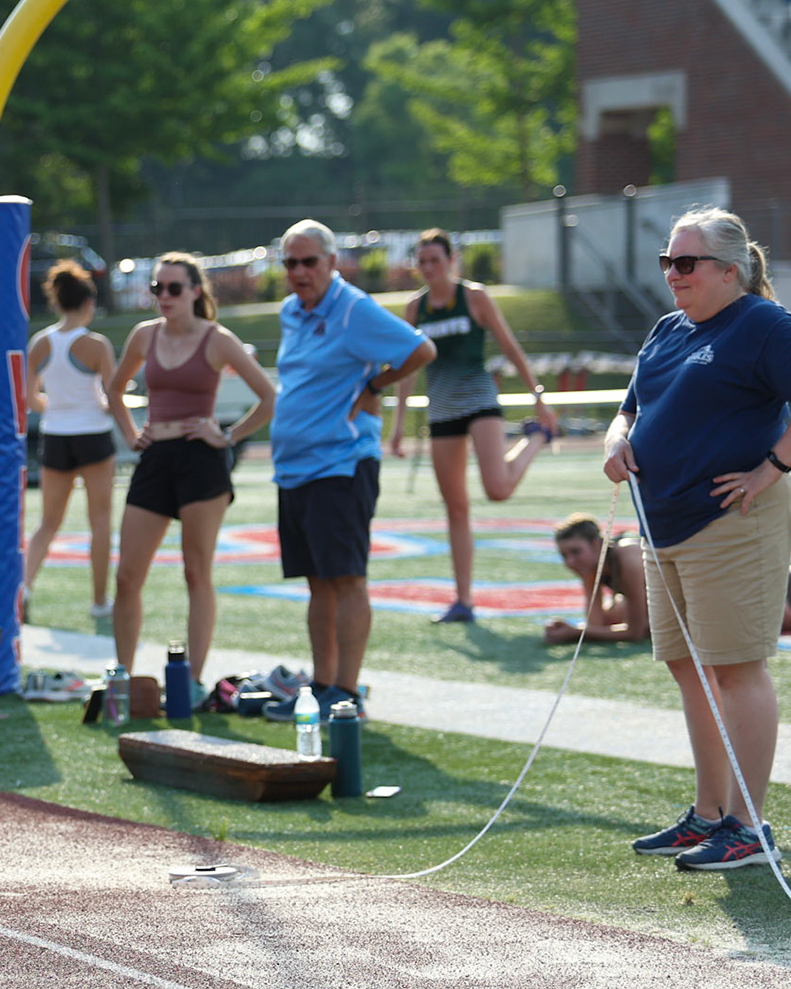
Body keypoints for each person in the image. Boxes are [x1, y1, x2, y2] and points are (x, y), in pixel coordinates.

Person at [607, 206, 791, 871]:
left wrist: (773, 466)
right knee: (690, 668)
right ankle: (709, 814)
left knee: (736, 668)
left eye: (686, 262)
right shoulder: (668, 328)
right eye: (667, 261)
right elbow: (629, 408)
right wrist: (617, 441)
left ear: (730, 271)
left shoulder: (759, 323)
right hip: (664, 524)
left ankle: (749, 827)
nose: (672, 273)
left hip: (731, 522)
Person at [268, 219, 435, 719]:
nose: (299, 272)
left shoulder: (352, 308)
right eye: (291, 263)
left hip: (340, 463)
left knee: (346, 579)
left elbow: (420, 349)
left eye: (309, 262)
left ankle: (346, 693)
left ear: (332, 262)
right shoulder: (291, 310)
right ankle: (322, 688)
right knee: (317, 582)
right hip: (296, 467)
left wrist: (375, 386)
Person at [103, 254, 274, 693]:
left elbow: (269, 397)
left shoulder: (218, 339)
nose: (164, 296)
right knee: (126, 576)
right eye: (156, 288)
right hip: (155, 458)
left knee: (196, 572)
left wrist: (227, 435)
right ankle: (122, 679)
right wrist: (131, 433)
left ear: (195, 292)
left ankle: (192, 682)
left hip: (201, 460)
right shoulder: (144, 335)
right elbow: (115, 389)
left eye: (173, 288)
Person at [389, 230, 559, 623]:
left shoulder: (474, 297)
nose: (428, 267)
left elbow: (510, 347)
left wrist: (538, 396)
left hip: (480, 402)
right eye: (422, 261)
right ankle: (463, 600)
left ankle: (536, 437)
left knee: (497, 489)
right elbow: (406, 370)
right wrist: (398, 425)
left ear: (451, 261)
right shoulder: (416, 308)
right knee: (456, 508)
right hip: (442, 410)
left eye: (435, 260)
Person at [23, 260, 120, 623]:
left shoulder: (40, 342)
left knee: (47, 522)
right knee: (100, 521)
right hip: (93, 435)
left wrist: (58, 405)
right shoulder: (96, 344)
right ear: (88, 304)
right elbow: (113, 397)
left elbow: (31, 399)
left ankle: (24, 588)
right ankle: (99, 601)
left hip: (56, 436)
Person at [542, 512, 650, 645]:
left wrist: (576, 632)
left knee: (646, 624)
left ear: (596, 544)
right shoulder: (592, 566)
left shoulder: (627, 557)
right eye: (564, 555)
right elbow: (596, 624)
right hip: (656, 604)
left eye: (576, 552)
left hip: (673, 604)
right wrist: (572, 631)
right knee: (612, 616)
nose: (570, 562)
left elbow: (635, 632)